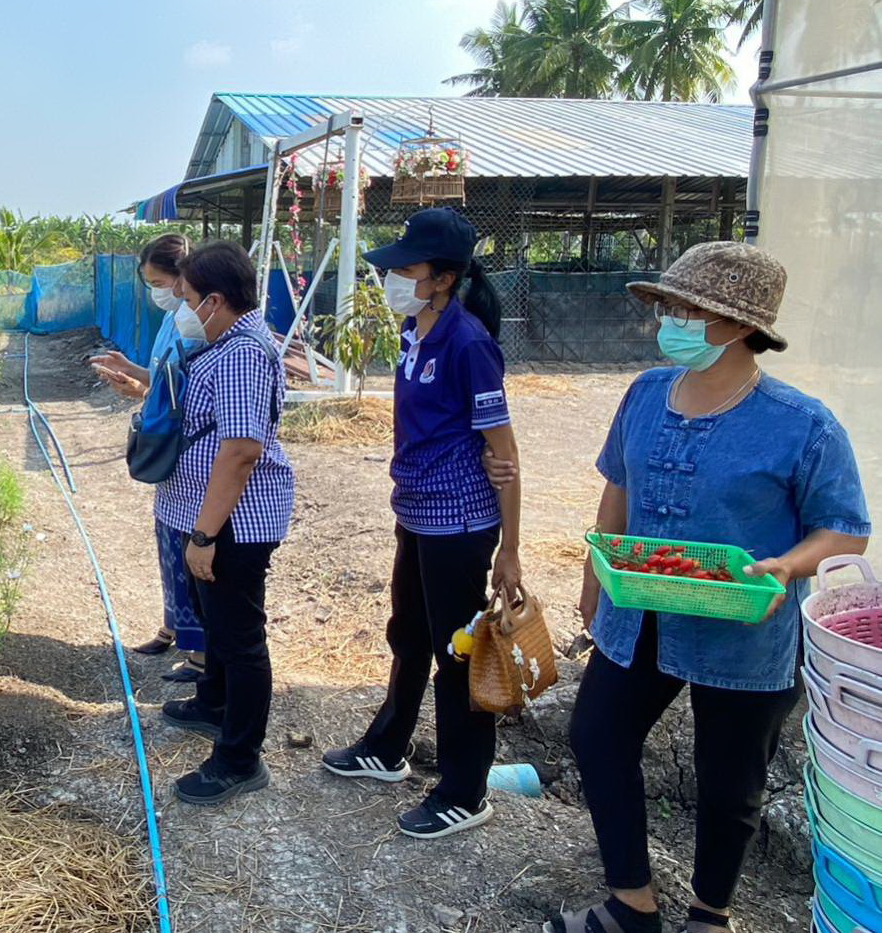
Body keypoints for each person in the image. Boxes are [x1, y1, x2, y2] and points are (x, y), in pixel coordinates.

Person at [537, 242, 870, 933]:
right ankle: (631, 902)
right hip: (641, 609)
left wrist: (789, 565)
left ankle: (710, 914)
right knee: (597, 735)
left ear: (742, 326)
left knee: (731, 779)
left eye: (689, 309)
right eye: (669, 306)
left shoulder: (803, 425)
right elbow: (617, 488)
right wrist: (594, 578)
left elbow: (845, 531)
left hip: (746, 626)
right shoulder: (645, 394)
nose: (671, 321)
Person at [321, 207, 523, 839]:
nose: (393, 280)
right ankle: (387, 747)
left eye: (406, 270)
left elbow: (505, 456)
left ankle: (465, 790)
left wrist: (510, 550)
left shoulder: (469, 344)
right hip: (415, 512)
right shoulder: (415, 331)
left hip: (457, 524)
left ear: (443, 279)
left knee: (457, 654)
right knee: (408, 634)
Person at [153, 240, 295, 806]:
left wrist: (205, 536)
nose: (183, 309)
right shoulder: (228, 344)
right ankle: (214, 704)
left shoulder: (241, 354)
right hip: (210, 514)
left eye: (188, 298)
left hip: (233, 522)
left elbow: (240, 451)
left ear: (214, 301)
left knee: (239, 640)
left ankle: (239, 759)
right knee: (216, 623)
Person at [89, 235, 207, 683]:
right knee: (169, 543)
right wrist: (134, 374)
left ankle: (200, 653)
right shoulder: (172, 320)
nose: (159, 293)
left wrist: (144, 391)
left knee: (189, 548)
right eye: (151, 284)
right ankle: (175, 627)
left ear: (185, 279)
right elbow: (164, 381)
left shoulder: (197, 325)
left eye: (161, 283)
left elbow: (187, 394)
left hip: (188, 451)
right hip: (167, 450)